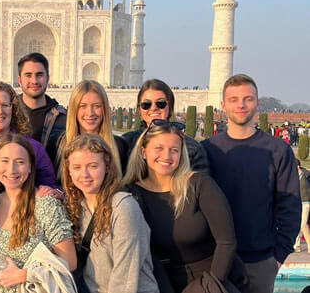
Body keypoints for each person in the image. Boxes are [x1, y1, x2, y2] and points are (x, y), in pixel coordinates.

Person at [202, 74, 301, 293]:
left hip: (261, 262)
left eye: (247, 99)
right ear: (222, 105)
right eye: (234, 99)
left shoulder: (277, 150)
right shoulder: (209, 150)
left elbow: (290, 206)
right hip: (215, 261)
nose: (241, 105)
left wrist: (277, 257)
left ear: (257, 103)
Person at [123, 120, 243, 292]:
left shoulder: (199, 185)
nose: (166, 156)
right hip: (160, 283)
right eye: (159, 148)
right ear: (143, 152)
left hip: (212, 281)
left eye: (174, 150)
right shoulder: (132, 194)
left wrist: (208, 286)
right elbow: (145, 254)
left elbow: (227, 242)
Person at [62, 134, 158, 293]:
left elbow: (125, 277)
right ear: (69, 171)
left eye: (93, 166)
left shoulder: (123, 207)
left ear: (106, 167)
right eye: (77, 167)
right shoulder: (75, 207)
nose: (84, 174)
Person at [0, 134, 77, 293]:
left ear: (30, 167)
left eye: (20, 162)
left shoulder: (46, 204)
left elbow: (69, 261)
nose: (11, 170)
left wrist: (25, 275)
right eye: (4, 161)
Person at [0, 82, 56, 194]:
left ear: (13, 109)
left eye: (5, 105)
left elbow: (50, 189)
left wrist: (53, 192)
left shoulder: (33, 148)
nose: (0, 111)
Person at [121, 79, 209, 175]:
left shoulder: (191, 148)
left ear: (170, 107)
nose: (153, 108)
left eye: (161, 103)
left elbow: (200, 186)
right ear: (139, 109)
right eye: (146, 104)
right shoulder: (127, 142)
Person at [58, 80, 127, 180]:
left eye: (97, 106)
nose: (90, 113)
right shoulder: (59, 145)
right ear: (74, 110)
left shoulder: (120, 146)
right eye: (83, 106)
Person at [17, 53, 67, 171]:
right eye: (28, 75)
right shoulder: (7, 115)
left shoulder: (62, 118)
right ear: (19, 80)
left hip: (52, 186)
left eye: (39, 75)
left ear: (47, 78)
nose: (34, 81)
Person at [295, 159, 310, 253]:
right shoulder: (292, 177)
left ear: (297, 166)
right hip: (297, 203)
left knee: (303, 225)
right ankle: (297, 245)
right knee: (297, 224)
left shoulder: (306, 175)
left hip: (306, 203)